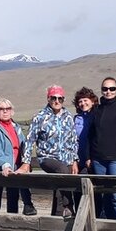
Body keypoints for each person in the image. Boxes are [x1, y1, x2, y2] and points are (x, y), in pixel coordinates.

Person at [21, 85, 79, 218]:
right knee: (62, 170)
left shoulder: (68, 117)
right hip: (47, 157)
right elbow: (29, 140)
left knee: (60, 184)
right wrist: (26, 162)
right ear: (48, 99)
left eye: (60, 98)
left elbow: (74, 140)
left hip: (67, 158)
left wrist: (75, 160)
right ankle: (68, 205)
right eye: (54, 98)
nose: (57, 101)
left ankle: (56, 217)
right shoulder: (40, 117)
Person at [86, 76, 116, 220]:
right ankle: (110, 228)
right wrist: (88, 157)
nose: (108, 91)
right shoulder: (97, 110)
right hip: (98, 160)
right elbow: (90, 135)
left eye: (112, 88)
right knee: (104, 195)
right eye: (105, 89)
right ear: (102, 91)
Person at [0, 98, 36, 215]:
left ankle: (13, 224)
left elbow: (23, 145)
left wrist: (26, 163)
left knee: (13, 198)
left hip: (15, 167)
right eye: (2, 109)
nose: (5, 111)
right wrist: (5, 165)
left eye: (8, 109)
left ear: (12, 111)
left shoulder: (16, 127)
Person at [71, 87, 97, 212]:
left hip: (93, 160)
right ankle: (78, 216)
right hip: (78, 160)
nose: (83, 103)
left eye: (85, 100)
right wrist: (74, 160)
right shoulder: (76, 119)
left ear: (92, 101)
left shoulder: (97, 117)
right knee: (77, 187)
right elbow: (72, 140)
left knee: (92, 190)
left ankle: (93, 216)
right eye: (80, 101)